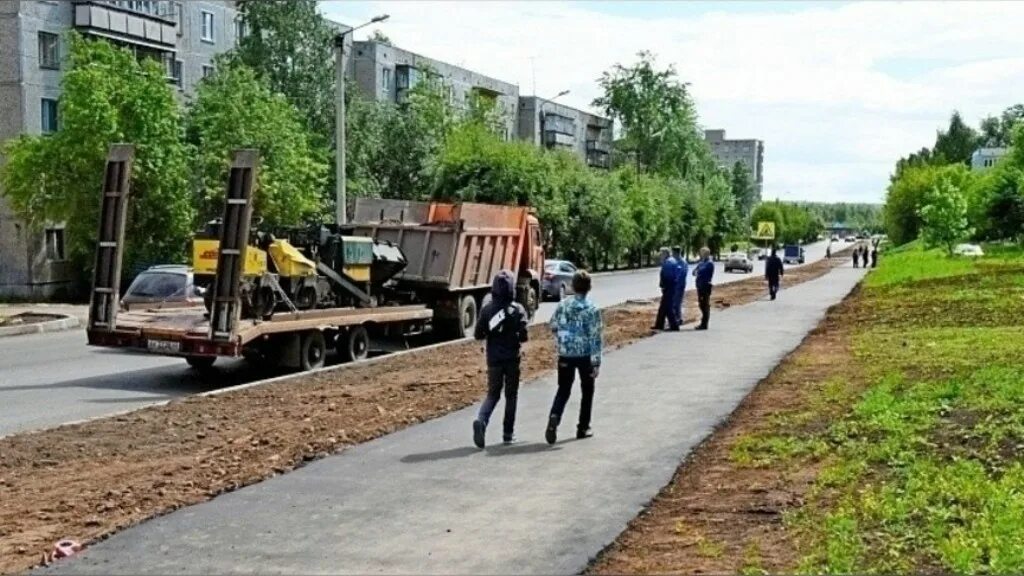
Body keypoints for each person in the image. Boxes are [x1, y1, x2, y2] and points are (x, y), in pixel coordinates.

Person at [472, 270, 529, 448]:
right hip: (512, 358)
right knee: (511, 395)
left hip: (493, 358)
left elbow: (478, 334)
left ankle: (481, 420)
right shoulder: (518, 309)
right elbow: (524, 336)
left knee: (493, 394)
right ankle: (508, 434)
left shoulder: (487, 309)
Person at [547, 270, 603, 444]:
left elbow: (553, 325)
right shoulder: (592, 309)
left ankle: (554, 416)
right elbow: (595, 337)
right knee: (587, 390)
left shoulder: (563, 305)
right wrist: (596, 363)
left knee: (563, 388)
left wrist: (563, 338)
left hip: (565, 353)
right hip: (585, 355)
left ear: (572, 286)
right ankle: (583, 427)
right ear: (589, 288)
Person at [652, 248, 680, 331]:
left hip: (669, 287)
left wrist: (664, 286)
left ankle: (674, 326)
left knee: (668, 307)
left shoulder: (668, 262)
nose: (660, 255)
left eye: (661, 253)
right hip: (671, 287)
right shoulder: (671, 260)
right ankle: (659, 324)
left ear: (665, 254)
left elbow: (668, 276)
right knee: (663, 307)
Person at [692, 247, 714, 330]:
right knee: (701, 304)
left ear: (706, 253)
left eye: (702, 252)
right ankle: (703, 322)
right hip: (699, 286)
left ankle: (704, 324)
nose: (701, 254)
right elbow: (694, 272)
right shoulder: (701, 262)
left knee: (705, 305)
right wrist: (697, 271)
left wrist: (698, 272)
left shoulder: (709, 263)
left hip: (705, 286)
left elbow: (702, 272)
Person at [671, 246, 688, 327]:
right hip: (674, 286)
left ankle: (678, 319)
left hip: (679, 286)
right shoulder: (675, 261)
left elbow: (681, 275)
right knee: (674, 303)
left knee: (677, 303)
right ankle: (677, 319)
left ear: (676, 253)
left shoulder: (682, 262)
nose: (672, 254)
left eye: (673, 253)